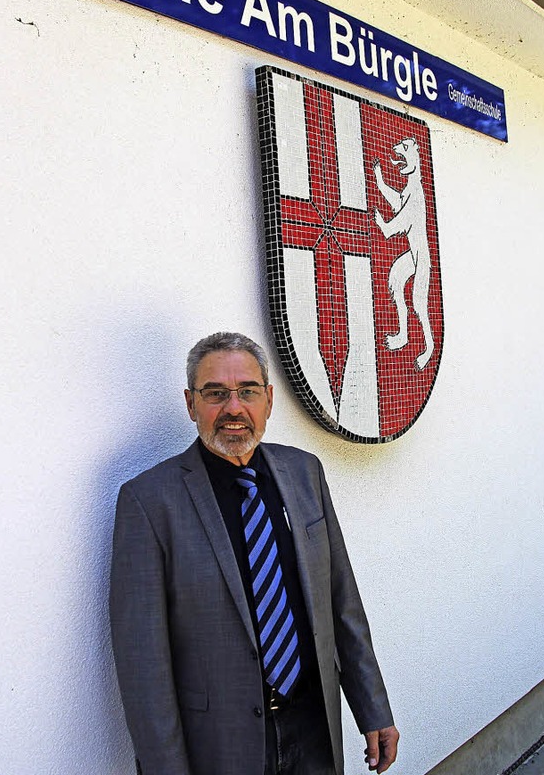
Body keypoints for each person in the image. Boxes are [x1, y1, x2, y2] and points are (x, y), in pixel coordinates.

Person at [110, 331, 399, 775]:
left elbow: (342, 603)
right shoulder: (149, 502)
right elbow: (143, 664)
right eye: (215, 394)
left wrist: (373, 708)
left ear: (267, 399)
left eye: (246, 391)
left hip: (314, 725)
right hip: (220, 746)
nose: (233, 408)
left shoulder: (304, 473)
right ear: (191, 404)